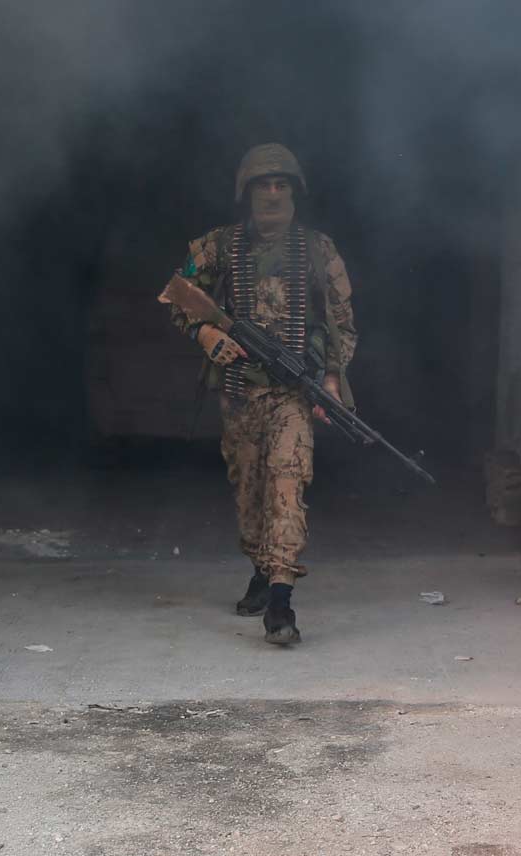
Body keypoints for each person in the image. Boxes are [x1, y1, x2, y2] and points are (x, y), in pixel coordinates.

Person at [165, 144, 359, 645]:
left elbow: (341, 324)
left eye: (282, 184)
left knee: (288, 484)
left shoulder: (317, 251)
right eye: (263, 185)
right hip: (238, 393)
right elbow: (176, 294)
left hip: (293, 394)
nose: (273, 193)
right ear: (246, 192)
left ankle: (280, 598)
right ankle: (259, 569)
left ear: (295, 191)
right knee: (249, 491)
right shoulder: (217, 247)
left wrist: (331, 380)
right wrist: (205, 334)